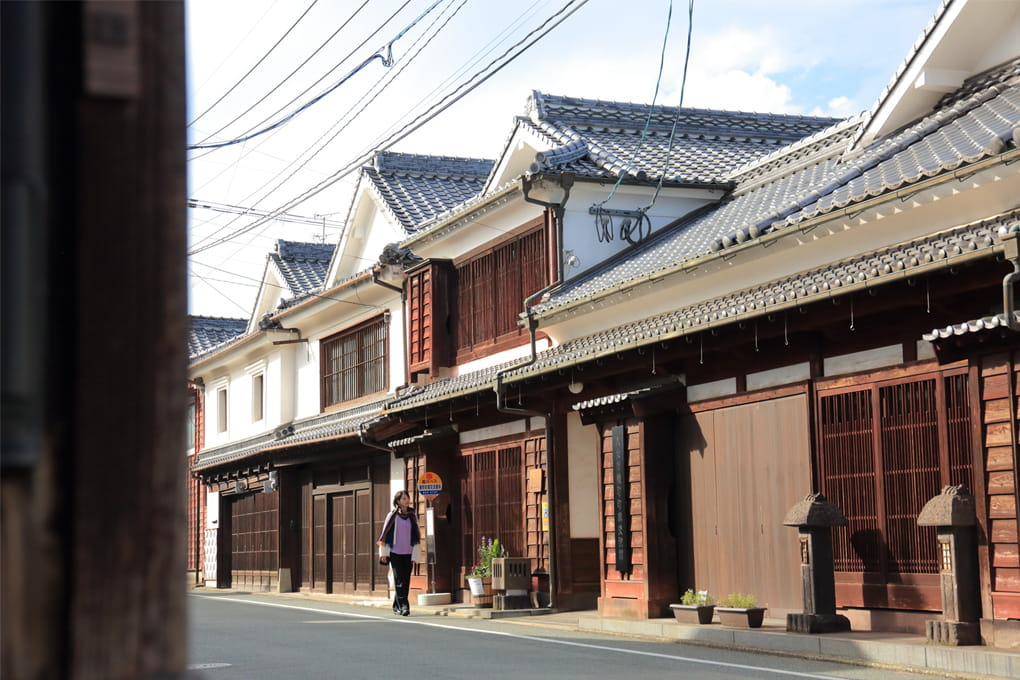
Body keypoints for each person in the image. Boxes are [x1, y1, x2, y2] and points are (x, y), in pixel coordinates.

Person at [377, 489, 421, 616]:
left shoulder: (413, 516)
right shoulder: (392, 516)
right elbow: (384, 535)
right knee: (399, 580)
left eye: (407, 498)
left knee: (405, 580)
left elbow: (417, 536)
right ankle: (404, 606)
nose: (407, 501)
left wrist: (416, 554)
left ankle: (397, 605)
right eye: (404, 499)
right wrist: (383, 553)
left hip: (408, 552)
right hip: (395, 552)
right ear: (398, 501)